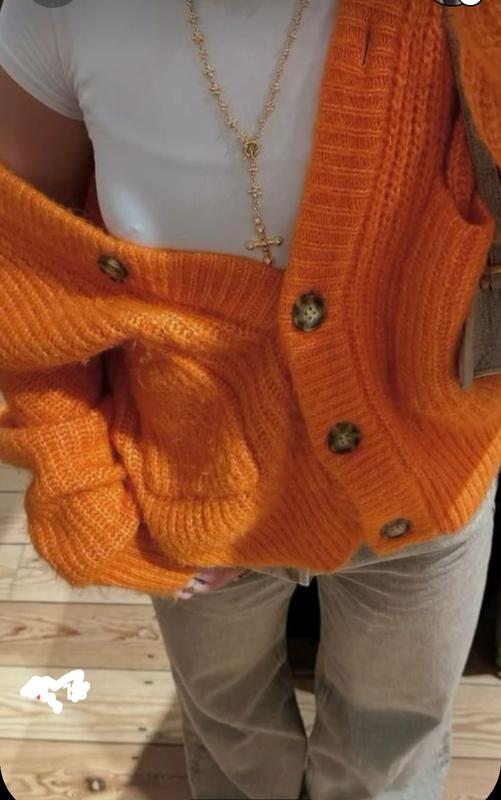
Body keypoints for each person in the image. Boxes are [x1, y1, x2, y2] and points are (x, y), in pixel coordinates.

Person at [0, 0, 500, 798]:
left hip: (425, 472)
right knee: (233, 744)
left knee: (389, 756)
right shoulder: (60, 14)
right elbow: (23, 273)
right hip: (186, 488)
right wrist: (82, 484)